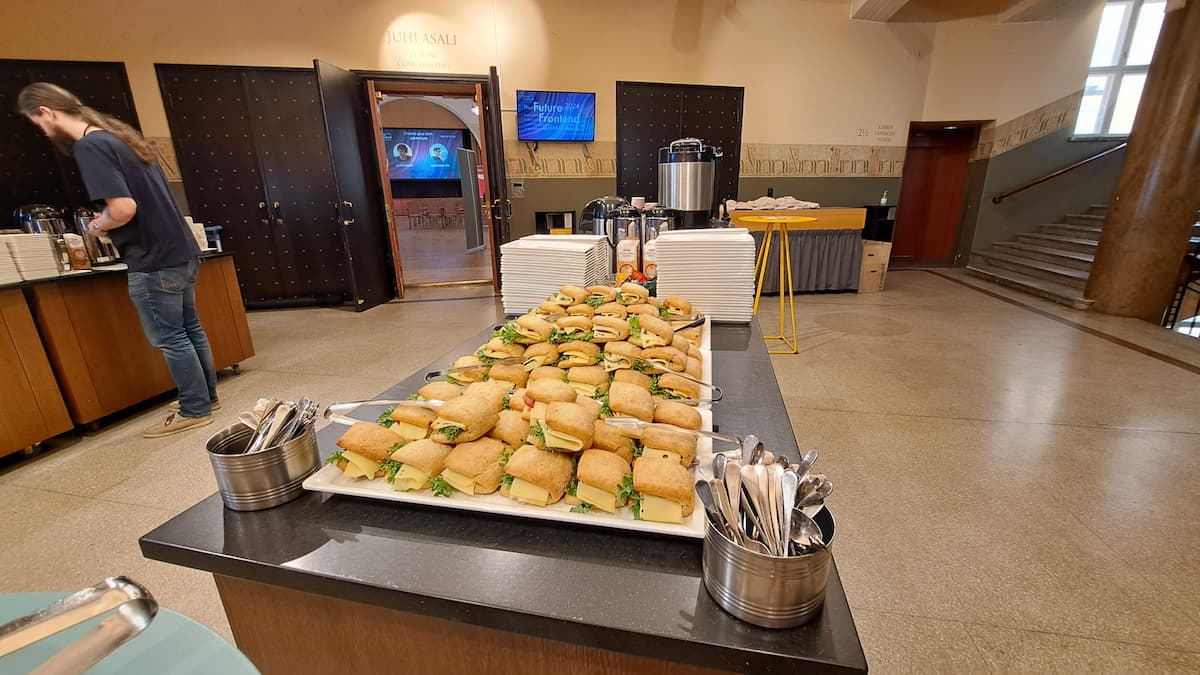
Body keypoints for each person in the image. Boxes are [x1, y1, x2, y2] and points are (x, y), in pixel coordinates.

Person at [18, 82, 220, 438]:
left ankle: (195, 408)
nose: (42, 131)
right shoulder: (119, 139)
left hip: (153, 258)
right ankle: (206, 397)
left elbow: (124, 208)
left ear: (47, 112)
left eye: (38, 123)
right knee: (189, 329)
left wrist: (98, 225)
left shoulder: (90, 147)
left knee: (171, 337)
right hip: (180, 252)